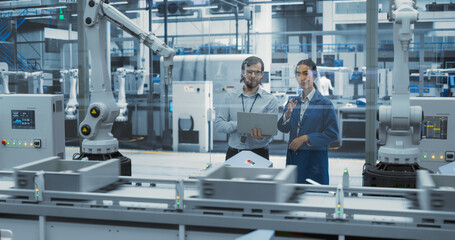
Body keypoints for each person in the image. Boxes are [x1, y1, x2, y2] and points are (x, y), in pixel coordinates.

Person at [277, 59, 338, 184]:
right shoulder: (293, 102)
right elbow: (282, 128)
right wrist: (288, 114)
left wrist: (306, 138)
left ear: (314, 76)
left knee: (314, 198)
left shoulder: (324, 103)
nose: (302, 78)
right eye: (298, 74)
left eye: (306, 73)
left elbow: (332, 134)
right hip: (294, 160)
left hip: (314, 162)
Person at [215, 56, 278, 160]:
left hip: (260, 153)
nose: (253, 75)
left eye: (257, 72)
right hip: (234, 153)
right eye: (249, 72)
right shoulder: (230, 97)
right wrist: (240, 124)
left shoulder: (271, 100)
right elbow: (218, 125)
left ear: (262, 74)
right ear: (243, 73)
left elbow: (271, 132)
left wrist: (262, 136)